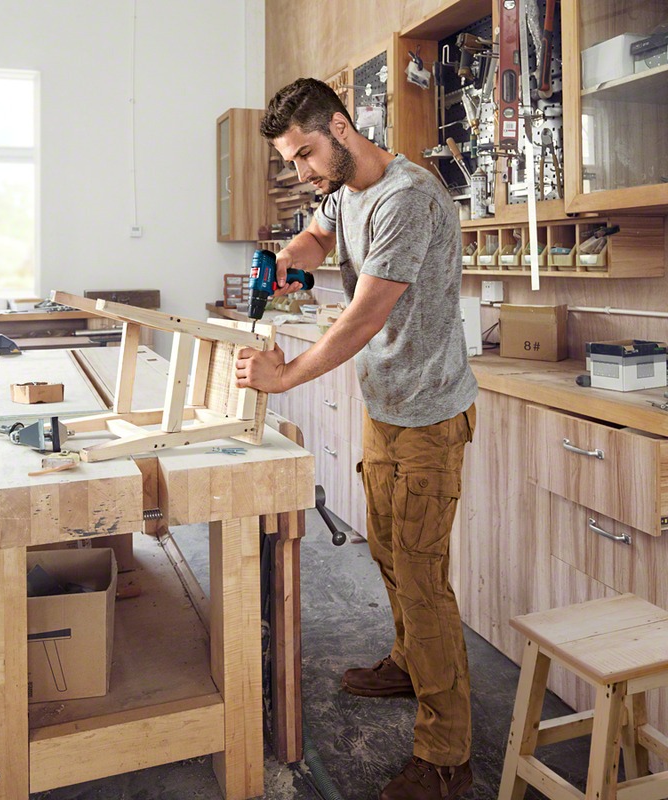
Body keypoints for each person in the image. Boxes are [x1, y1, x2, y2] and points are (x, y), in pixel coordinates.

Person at [235, 78, 478, 800]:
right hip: (388, 408)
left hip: (431, 416)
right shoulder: (347, 192)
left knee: (423, 576)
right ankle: (410, 663)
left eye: (306, 153)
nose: (303, 172)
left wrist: (285, 380)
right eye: (292, 161)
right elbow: (320, 230)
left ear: (341, 128)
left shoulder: (409, 196)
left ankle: (447, 753)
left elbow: (365, 316)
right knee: (387, 550)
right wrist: (289, 258)